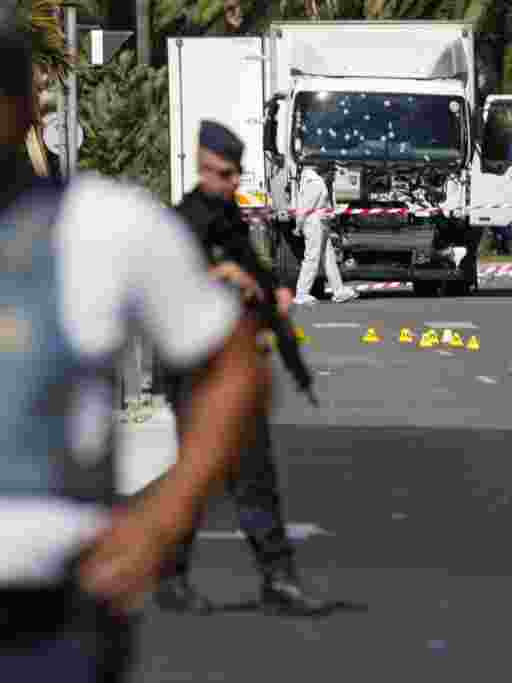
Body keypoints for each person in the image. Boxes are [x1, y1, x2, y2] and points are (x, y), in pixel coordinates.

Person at [0, 31, 269, 680]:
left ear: (24, 108)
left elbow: (233, 365)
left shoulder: (103, 227)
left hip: (46, 616)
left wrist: (164, 518)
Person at [158, 120, 329, 616]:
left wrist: (265, 287)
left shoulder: (227, 216)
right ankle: (171, 576)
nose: (232, 182)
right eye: (223, 173)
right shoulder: (186, 219)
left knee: (255, 475)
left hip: (233, 367)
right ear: (203, 165)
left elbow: (251, 269)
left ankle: (278, 579)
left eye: (235, 174)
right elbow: (166, 283)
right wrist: (221, 275)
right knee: (197, 478)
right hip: (194, 371)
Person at [294, 162, 359, 305]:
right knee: (312, 257)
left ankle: (338, 290)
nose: (334, 175)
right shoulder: (315, 183)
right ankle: (301, 293)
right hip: (314, 223)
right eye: (333, 172)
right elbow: (305, 207)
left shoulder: (318, 182)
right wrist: (299, 225)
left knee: (329, 258)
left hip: (320, 222)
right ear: (326, 171)